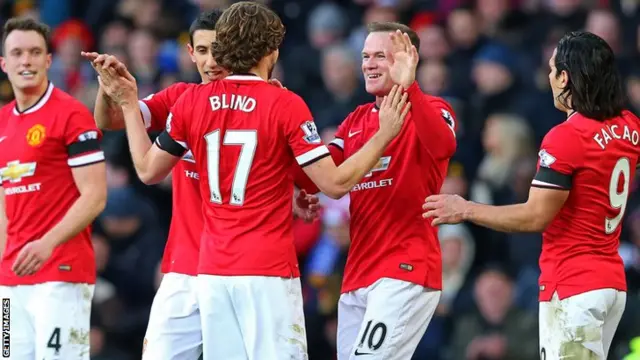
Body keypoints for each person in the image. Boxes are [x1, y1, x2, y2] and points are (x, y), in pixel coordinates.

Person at [92, 2, 409, 359]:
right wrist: (383, 135)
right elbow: (334, 184)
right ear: (271, 51)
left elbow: (148, 170)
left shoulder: (191, 100)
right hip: (265, 269)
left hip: (212, 269)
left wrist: (131, 105)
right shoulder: (283, 103)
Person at [83, 9, 319, 360]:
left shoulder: (267, 101)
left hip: (232, 264)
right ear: (190, 53)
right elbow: (111, 118)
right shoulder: (182, 98)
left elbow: (294, 170)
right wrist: (108, 87)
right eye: (203, 51)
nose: (212, 61)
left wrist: (296, 190)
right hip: (186, 266)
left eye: (218, 50)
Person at [423, 31, 633, 360]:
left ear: (566, 77)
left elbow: (535, 215)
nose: (549, 78)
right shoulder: (630, 126)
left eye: (552, 70)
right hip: (611, 284)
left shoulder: (565, 137)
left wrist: (465, 209)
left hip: (573, 286)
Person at [293, 22, 457, 360]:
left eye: (380, 56)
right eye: (365, 56)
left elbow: (442, 147)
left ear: (409, 59)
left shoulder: (434, 108)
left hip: (405, 269)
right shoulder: (354, 120)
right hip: (357, 273)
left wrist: (410, 89)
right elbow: (322, 176)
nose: (368, 64)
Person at [0, 17, 106, 360]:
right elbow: (4, 202)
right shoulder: (1, 122)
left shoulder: (72, 115)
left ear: (49, 60)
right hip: (10, 280)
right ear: (4, 63)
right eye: (16, 53)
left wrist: (47, 243)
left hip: (62, 274)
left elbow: (95, 195)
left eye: (34, 52)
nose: (25, 61)